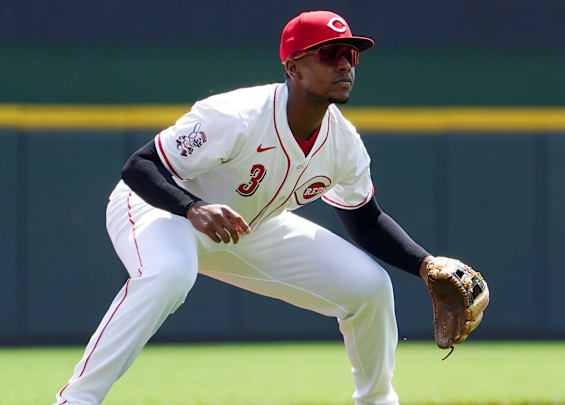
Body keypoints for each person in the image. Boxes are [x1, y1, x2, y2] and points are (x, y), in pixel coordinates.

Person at [53, 10, 436, 405]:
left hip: (246, 225)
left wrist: (426, 265)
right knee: (170, 274)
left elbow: (365, 220)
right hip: (161, 208)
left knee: (369, 288)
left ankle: (377, 401)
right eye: (329, 54)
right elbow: (141, 166)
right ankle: (77, 400)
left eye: (351, 55)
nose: (344, 64)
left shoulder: (343, 142)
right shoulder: (237, 115)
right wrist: (193, 208)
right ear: (293, 67)